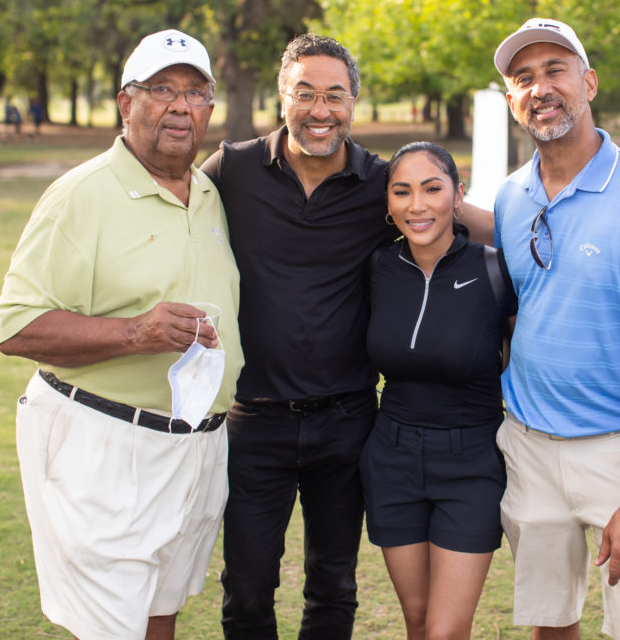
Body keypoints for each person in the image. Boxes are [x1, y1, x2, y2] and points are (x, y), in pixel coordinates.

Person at [199, 34, 493, 639]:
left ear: (354, 102)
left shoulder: (382, 184)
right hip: (255, 418)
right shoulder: (233, 168)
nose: (319, 110)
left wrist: (544, 236)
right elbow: (172, 209)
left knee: (333, 587)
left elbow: (446, 212)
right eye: (304, 94)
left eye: (335, 95)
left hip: (349, 419)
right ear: (282, 97)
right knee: (247, 587)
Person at [0, 29, 243, 640]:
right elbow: (17, 325)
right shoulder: (81, 194)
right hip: (103, 441)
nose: (180, 106)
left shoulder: (209, 192)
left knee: (161, 614)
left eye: (195, 92)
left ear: (210, 109)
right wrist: (136, 333)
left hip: (197, 444)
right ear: (125, 103)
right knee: (114, 628)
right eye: (161, 90)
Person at [492, 18, 620, 639]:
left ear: (589, 82)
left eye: (555, 70)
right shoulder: (509, 198)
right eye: (523, 78)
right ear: (510, 100)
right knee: (550, 624)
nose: (540, 88)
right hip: (528, 445)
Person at [363, 142, 516, 639]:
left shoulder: (493, 269)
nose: (418, 205)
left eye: (433, 189)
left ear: (458, 195)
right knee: (418, 622)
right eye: (402, 191)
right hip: (392, 457)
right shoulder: (377, 269)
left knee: (446, 631)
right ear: (388, 202)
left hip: (471, 462)